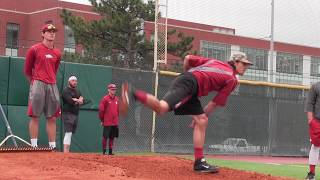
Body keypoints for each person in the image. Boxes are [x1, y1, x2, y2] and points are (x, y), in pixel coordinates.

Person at [120, 52, 252, 173]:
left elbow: (188, 58)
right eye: (243, 63)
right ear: (234, 62)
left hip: (188, 81)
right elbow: (214, 103)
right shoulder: (232, 79)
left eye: (247, 64)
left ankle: (199, 162)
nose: (246, 66)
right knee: (162, 108)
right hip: (191, 84)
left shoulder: (214, 62)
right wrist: (201, 113)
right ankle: (133, 93)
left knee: (201, 120)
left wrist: (188, 74)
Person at [24, 24, 61, 149]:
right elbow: (28, 70)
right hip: (37, 83)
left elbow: (54, 70)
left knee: (52, 117)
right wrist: (35, 82)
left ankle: (52, 147)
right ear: (43, 34)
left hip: (52, 84)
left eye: (53, 32)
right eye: (49, 31)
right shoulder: (34, 49)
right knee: (35, 115)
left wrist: (50, 80)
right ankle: (34, 146)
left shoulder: (57, 53)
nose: (52, 33)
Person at [61, 76, 84, 153]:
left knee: (70, 133)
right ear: (69, 82)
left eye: (76, 81)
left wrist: (76, 100)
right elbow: (70, 101)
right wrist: (77, 100)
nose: (75, 82)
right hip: (67, 113)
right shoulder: (65, 90)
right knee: (69, 132)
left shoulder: (78, 91)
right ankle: (65, 152)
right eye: (73, 80)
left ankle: (66, 152)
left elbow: (81, 100)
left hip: (75, 113)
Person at [99, 84, 120, 155]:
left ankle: (110, 152)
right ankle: (104, 152)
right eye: (112, 89)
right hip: (107, 122)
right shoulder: (105, 99)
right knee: (105, 137)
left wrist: (117, 119)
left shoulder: (117, 99)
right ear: (108, 90)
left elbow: (118, 111)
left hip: (115, 122)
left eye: (114, 89)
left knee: (112, 137)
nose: (113, 91)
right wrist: (102, 120)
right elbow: (101, 110)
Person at [305, 82, 320, 180]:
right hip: (317, 121)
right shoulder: (316, 86)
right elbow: (310, 103)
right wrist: (311, 120)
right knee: (315, 146)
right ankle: (311, 174)